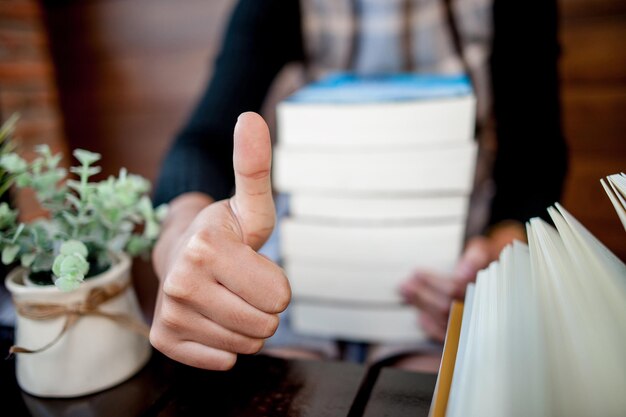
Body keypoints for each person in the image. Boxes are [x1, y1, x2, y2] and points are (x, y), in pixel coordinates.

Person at [150, 0, 568, 371]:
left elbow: (535, 158)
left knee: (429, 383)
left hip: (447, 278)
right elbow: (203, 142)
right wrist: (180, 238)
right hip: (305, 273)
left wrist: (503, 244)